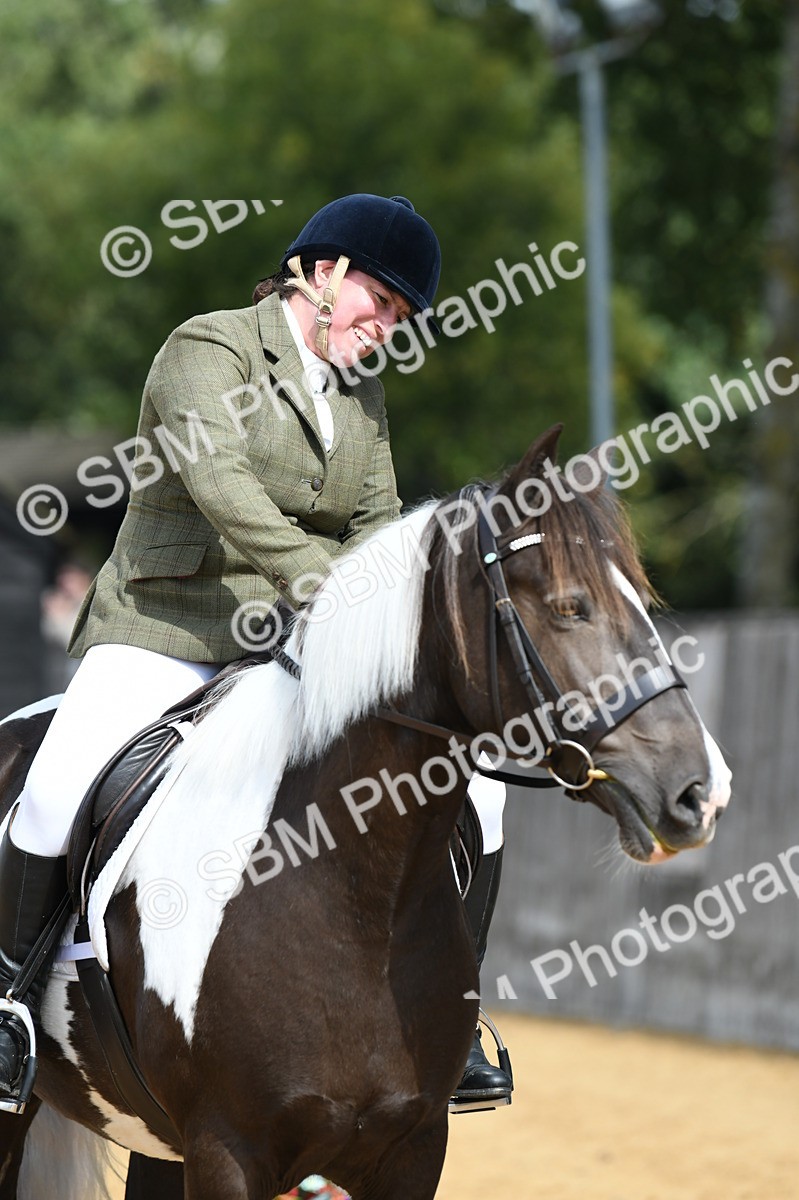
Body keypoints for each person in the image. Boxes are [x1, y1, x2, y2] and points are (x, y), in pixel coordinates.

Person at [0, 194, 511, 1123]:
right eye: (379, 302)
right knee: (51, 789)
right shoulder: (209, 349)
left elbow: (376, 529)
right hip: (167, 630)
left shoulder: (363, 400)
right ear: (320, 273)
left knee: (474, 780)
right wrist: (331, 591)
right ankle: (8, 1009)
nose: (386, 328)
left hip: (282, 647)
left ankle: (456, 1021)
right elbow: (222, 488)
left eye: (402, 318)